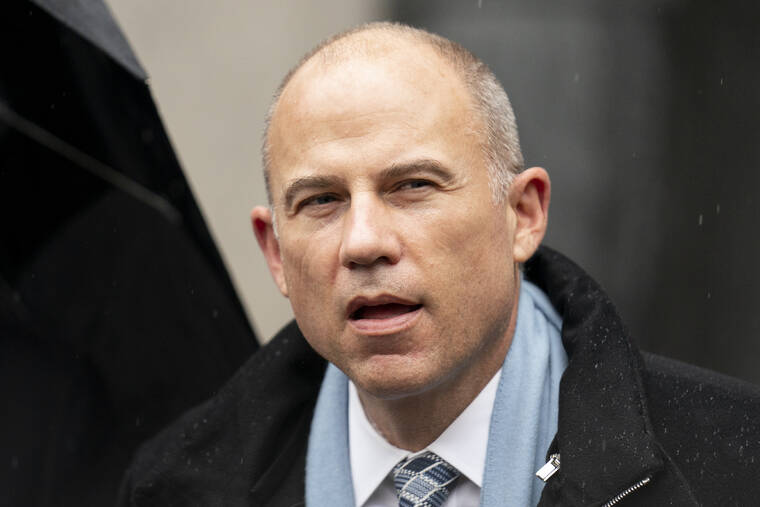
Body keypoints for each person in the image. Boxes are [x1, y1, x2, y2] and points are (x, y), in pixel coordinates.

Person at [118, 22, 760, 507]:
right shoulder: (173, 486)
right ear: (275, 254)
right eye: (321, 201)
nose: (364, 242)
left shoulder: (734, 458)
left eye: (413, 186)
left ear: (523, 214)